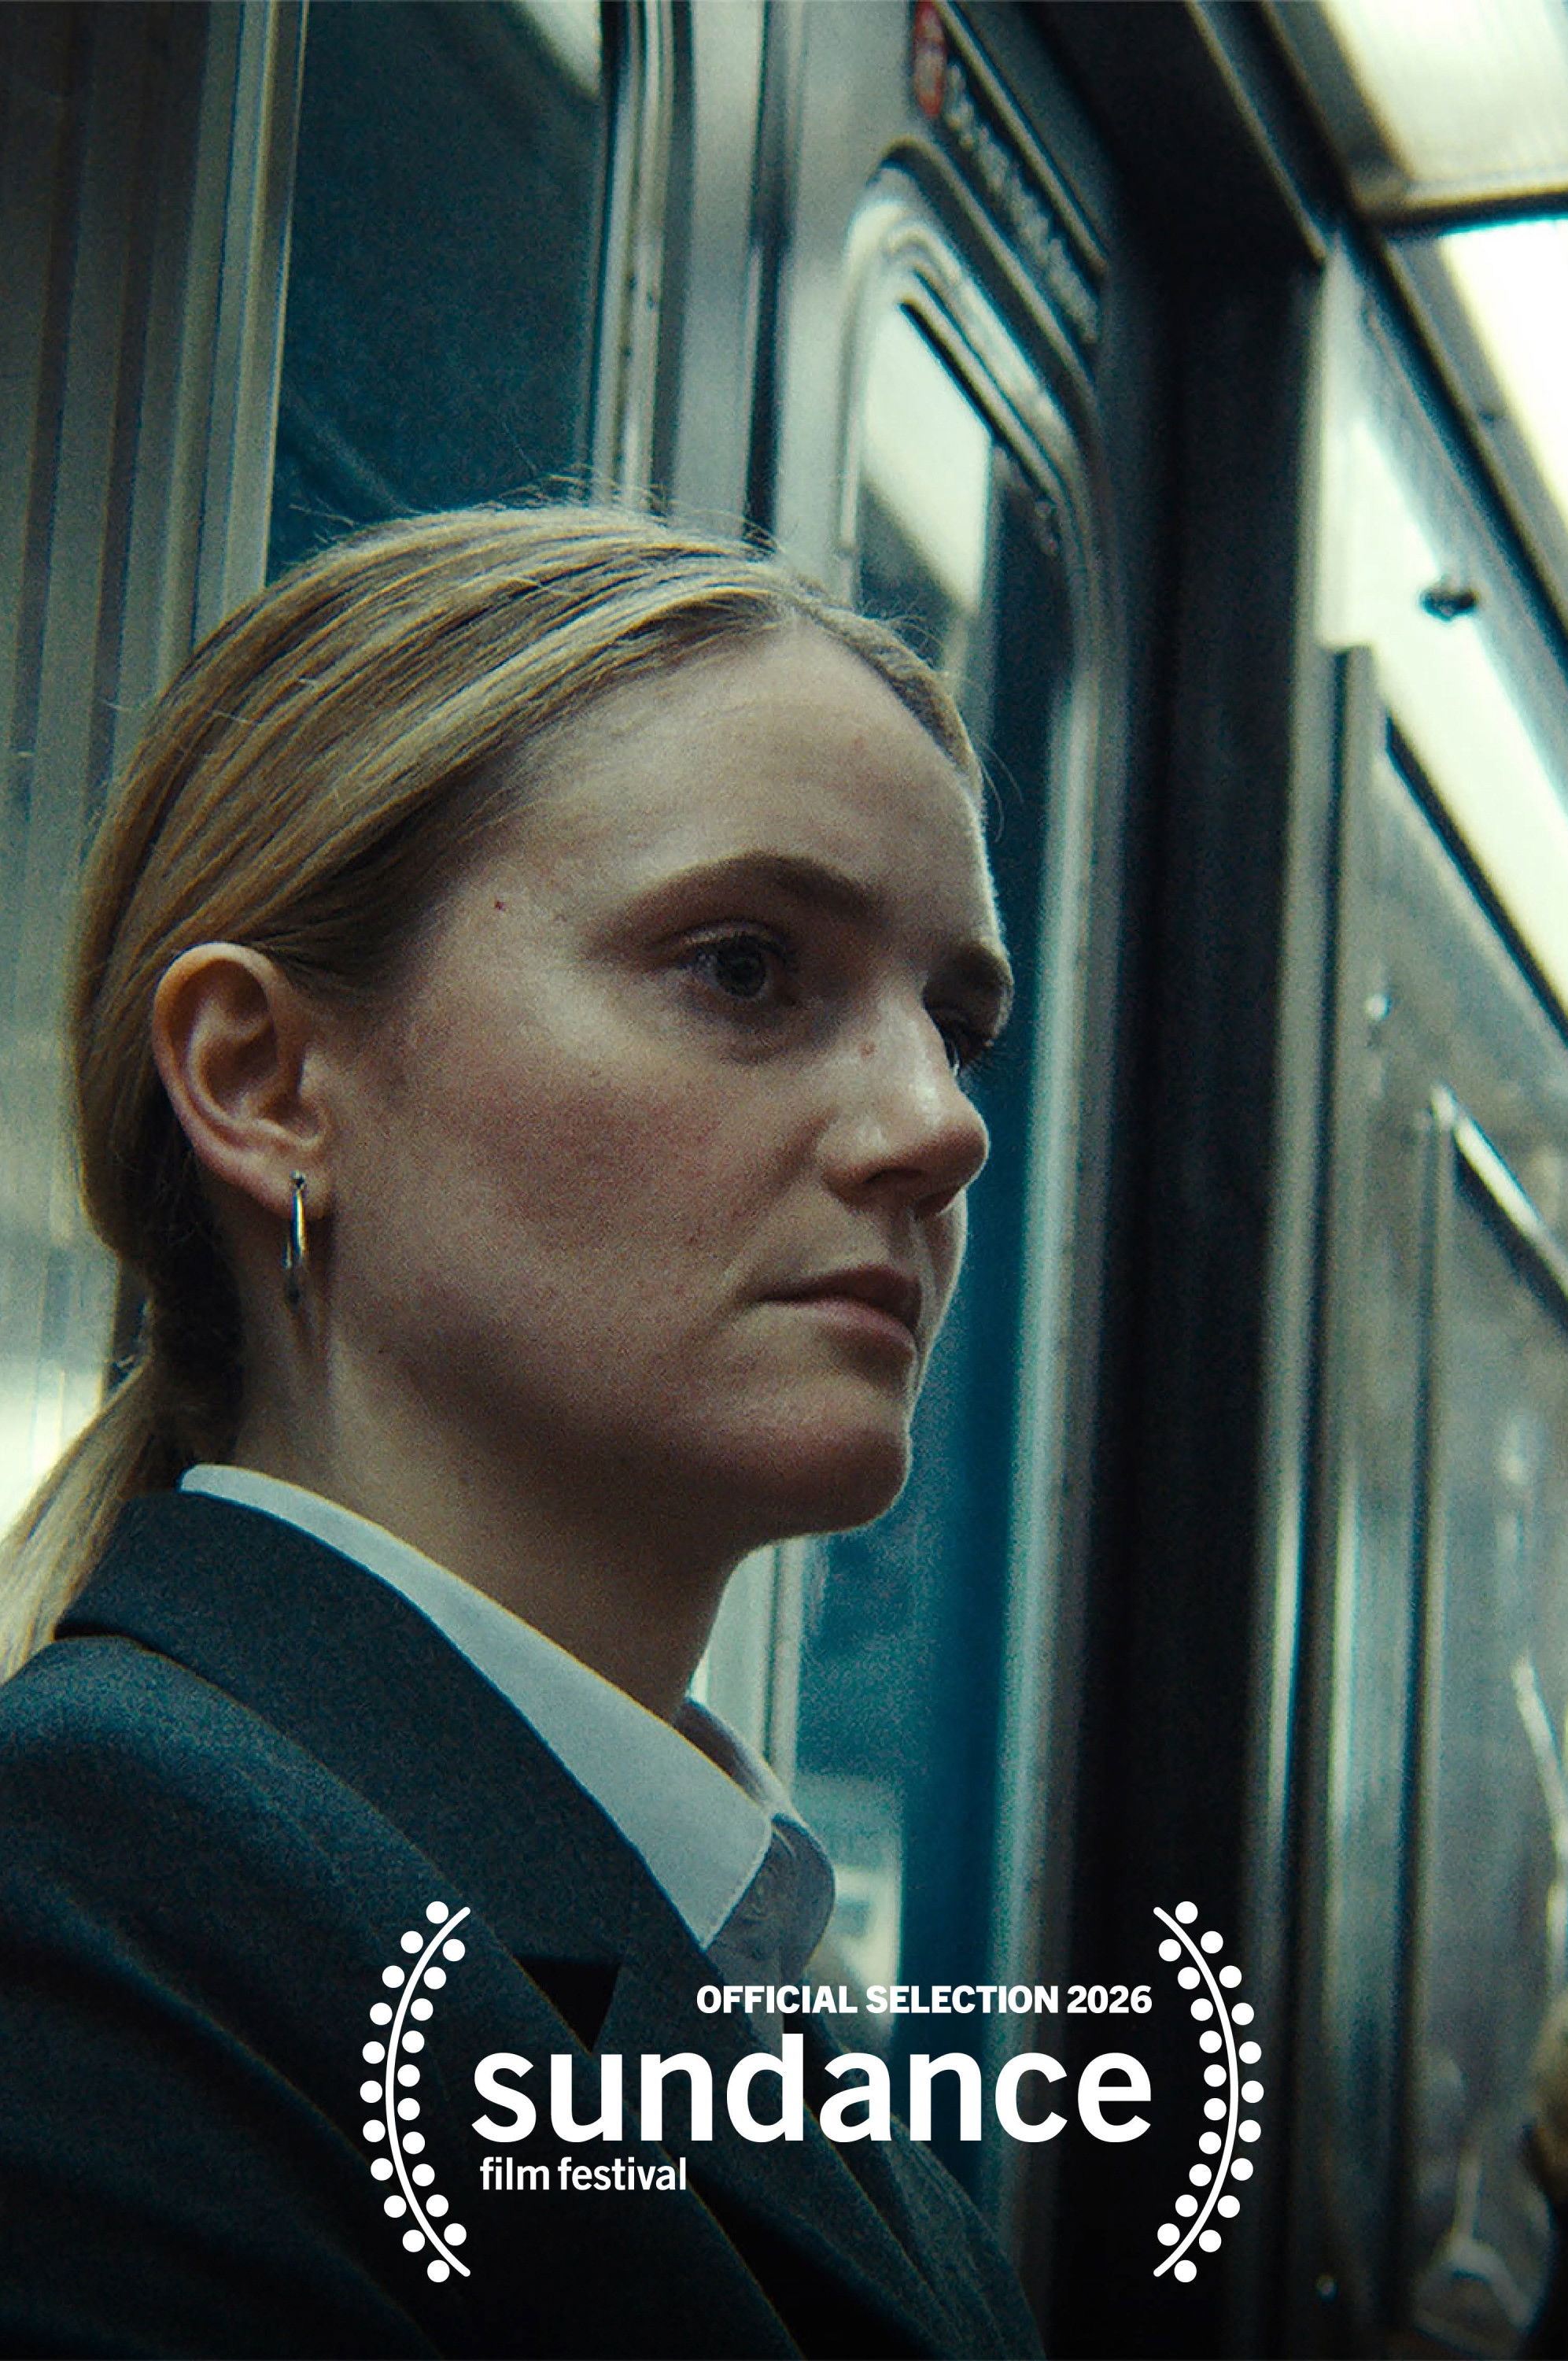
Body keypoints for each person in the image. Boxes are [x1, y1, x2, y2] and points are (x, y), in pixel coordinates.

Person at [0, 503, 1036, 2358]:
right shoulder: (88, 1888)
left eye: (953, 1025)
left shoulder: (736, 1966)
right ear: (264, 1082)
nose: (938, 1127)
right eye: (743, 968)